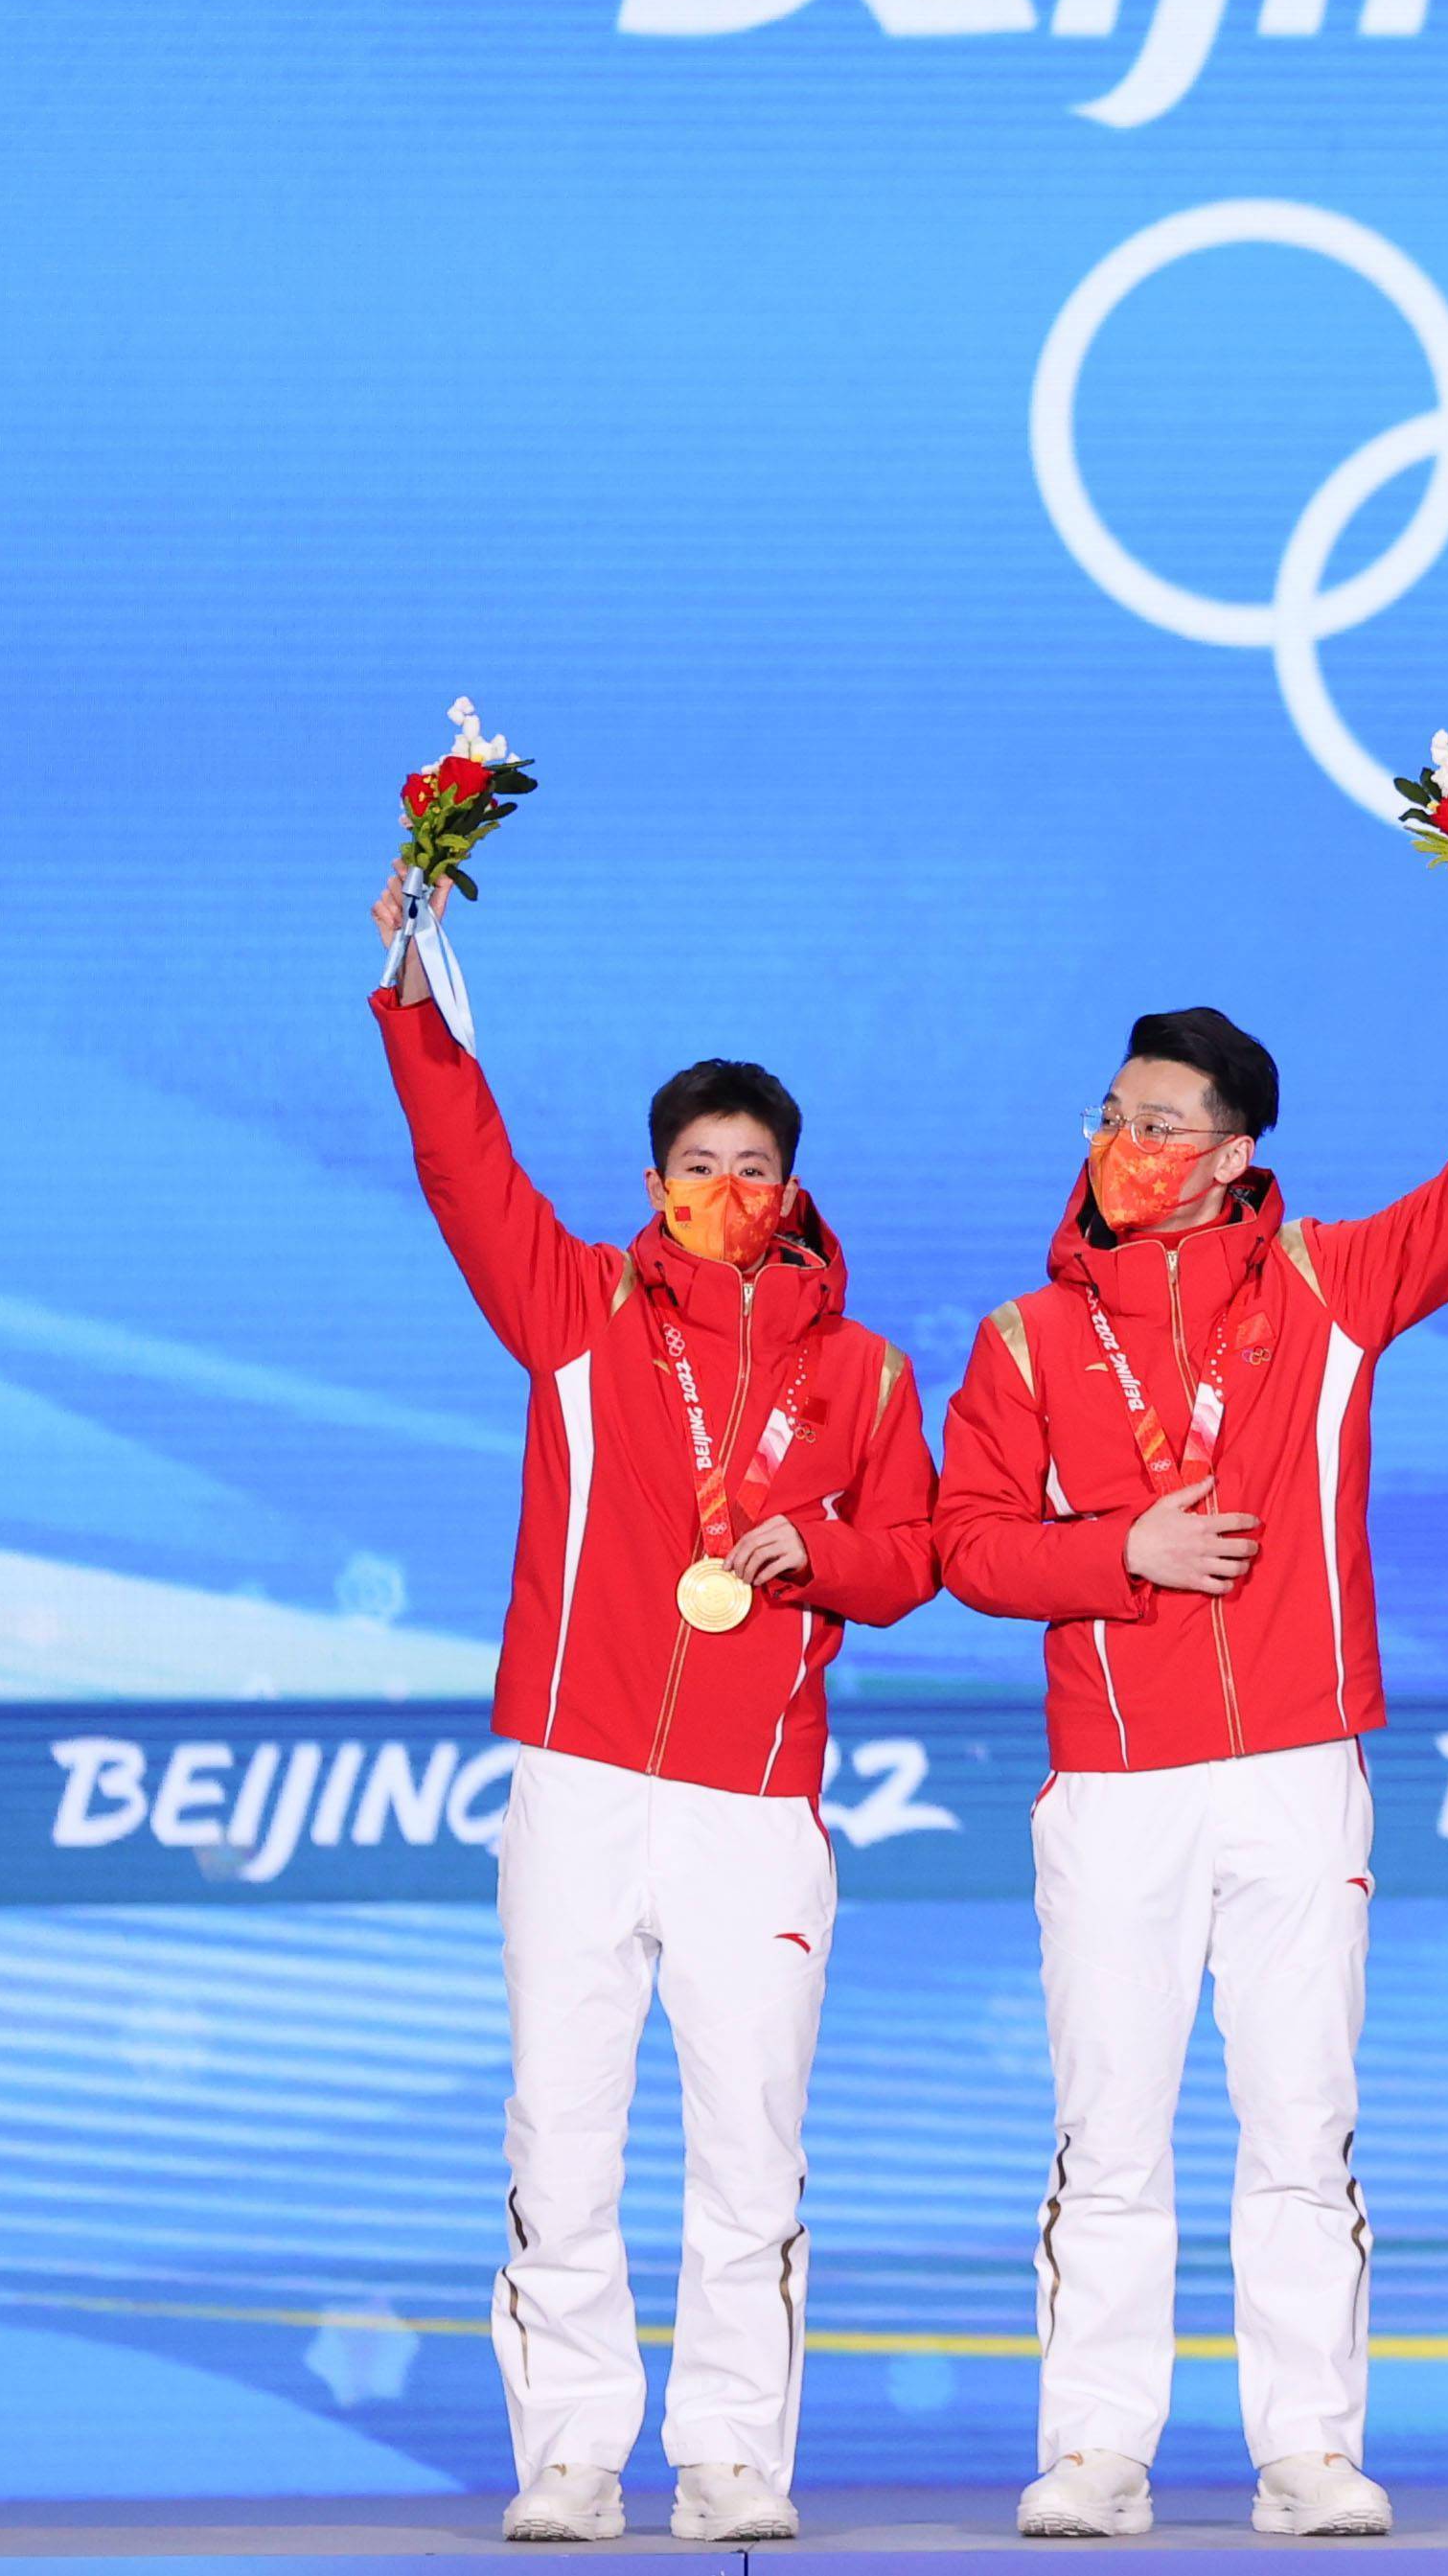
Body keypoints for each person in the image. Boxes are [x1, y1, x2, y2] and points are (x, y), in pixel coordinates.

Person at [937, 911, 1448, 2542]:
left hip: (1299, 1762)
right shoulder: (1027, 1336)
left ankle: (1308, 2447)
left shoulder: (1325, 1285)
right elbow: (965, 1544)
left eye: (1162, 1124)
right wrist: (1122, 1552)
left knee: (1302, 2122)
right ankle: (1095, 2449)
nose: (1126, 1145)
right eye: (1112, 1115)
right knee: (1109, 2131)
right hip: (1115, 1781)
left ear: (1234, 1157)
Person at [367, 874, 940, 2546]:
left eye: (755, 1168)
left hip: (755, 1804)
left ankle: (734, 2451)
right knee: (562, 2127)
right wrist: (413, 989)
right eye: (699, 1165)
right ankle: (568, 2449)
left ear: (793, 1188)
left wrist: (820, 1547)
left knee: (750, 2142)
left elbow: (914, 1555)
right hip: (581, 1779)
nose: (727, 1191)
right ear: (653, 1186)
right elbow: (464, 1166)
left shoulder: (867, 1373)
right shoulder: (577, 1315)